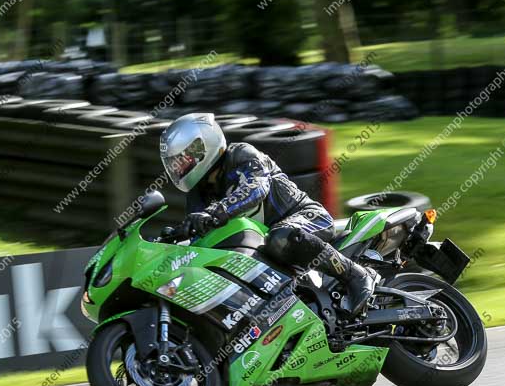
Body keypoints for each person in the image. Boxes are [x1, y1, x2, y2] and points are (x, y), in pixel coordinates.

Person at [159, 113, 378, 316]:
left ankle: (357, 275)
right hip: (262, 245)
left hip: (304, 218)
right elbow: (201, 239)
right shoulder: (198, 193)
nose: (179, 169)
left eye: (183, 160)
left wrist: (216, 212)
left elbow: (255, 189)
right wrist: (180, 236)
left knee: (280, 237)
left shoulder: (241, 155)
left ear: (202, 146)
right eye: (174, 164)